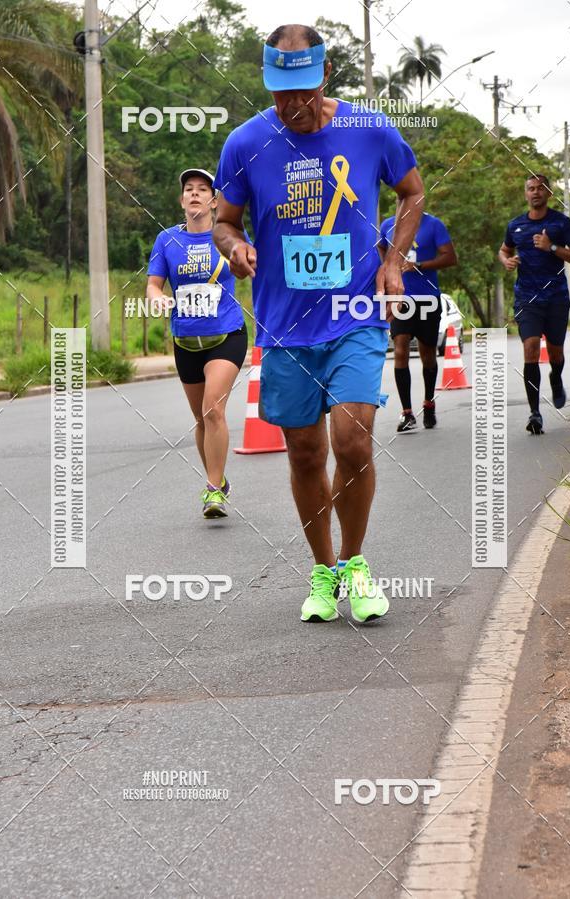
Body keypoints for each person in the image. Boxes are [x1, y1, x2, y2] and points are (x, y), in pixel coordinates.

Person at [212, 24, 424, 623]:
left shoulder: (368, 128)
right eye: (281, 93)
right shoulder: (245, 142)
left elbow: (412, 195)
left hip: (355, 313)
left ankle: (356, 564)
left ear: (323, 77)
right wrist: (235, 246)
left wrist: (393, 261)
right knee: (305, 453)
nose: (293, 105)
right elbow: (226, 220)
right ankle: (324, 571)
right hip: (285, 324)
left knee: (352, 440)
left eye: (302, 91)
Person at [146, 168, 248, 517]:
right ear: (181, 200)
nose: (194, 194)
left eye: (202, 190)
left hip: (227, 334)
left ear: (213, 201)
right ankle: (218, 479)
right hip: (186, 340)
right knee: (202, 421)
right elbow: (154, 284)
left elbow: (250, 263)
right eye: (188, 190)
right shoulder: (167, 241)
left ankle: (213, 491)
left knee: (213, 409)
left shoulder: (227, 237)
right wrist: (156, 296)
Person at [499, 174, 570, 434]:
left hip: (556, 298)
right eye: (531, 189)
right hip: (527, 298)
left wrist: (552, 247)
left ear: (548, 193)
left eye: (540, 188)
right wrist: (507, 261)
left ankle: (556, 377)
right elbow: (504, 250)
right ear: (526, 194)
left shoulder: (561, 223)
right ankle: (535, 413)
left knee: (555, 352)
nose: (535, 192)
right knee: (531, 348)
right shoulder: (515, 225)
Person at [379, 212, 457, 431]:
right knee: (401, 349)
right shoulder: (387, 225)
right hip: (401, 299)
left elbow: (451, 258)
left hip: (427, 299)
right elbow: (380, 248)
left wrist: (420, 265)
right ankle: (407, 413)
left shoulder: (433, 224)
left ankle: (429, 403)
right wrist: (387, 269)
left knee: (428, 355)